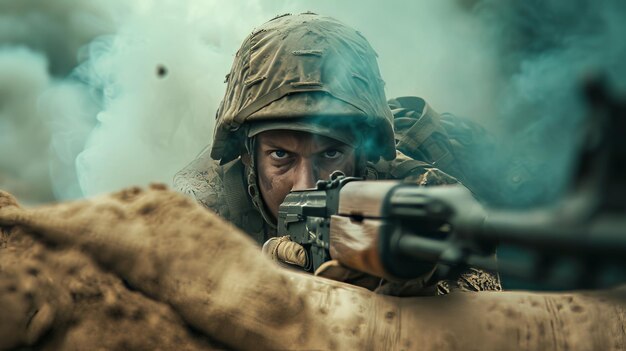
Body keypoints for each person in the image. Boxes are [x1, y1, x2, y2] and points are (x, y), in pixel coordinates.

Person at [174, 12, 500, 295]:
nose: (305, 185)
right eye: (280, 156)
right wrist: (262, 284)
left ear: (363, 153)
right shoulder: (203, 204)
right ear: (247, 153)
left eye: (330, 153)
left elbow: (485, 300)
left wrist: (407, 286)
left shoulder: (414, 193)